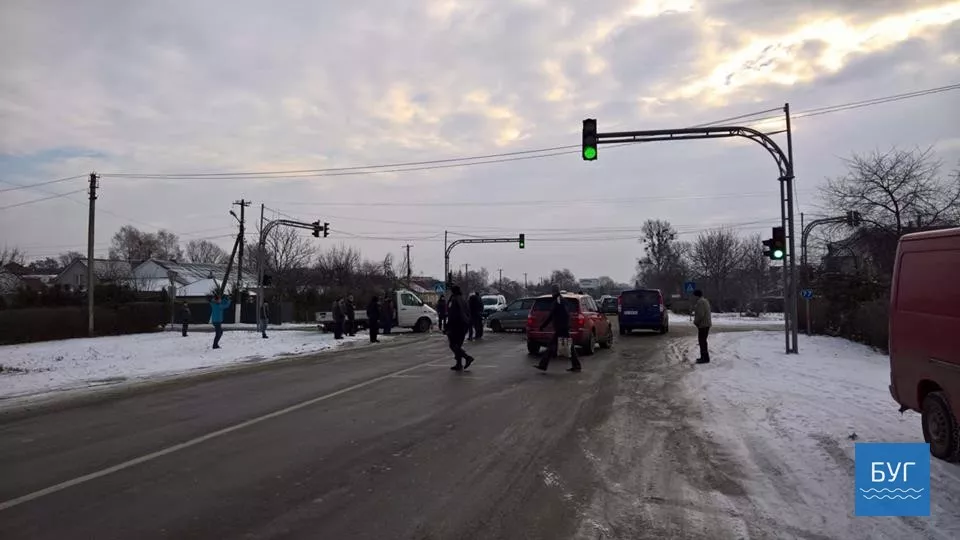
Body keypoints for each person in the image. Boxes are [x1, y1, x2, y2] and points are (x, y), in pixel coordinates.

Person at [535, 285, 581, 372]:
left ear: (555, 291)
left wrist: (543, 326)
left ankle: (543, 365)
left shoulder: (558, 301)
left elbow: (553, 316)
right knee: (565, 346)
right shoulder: (561, 300)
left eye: (552, 291)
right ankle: (543, 365)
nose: (552, 293)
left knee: (555, 346)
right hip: (562, 328)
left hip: (561, 328)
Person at [446, 285, 474, 371]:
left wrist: (447, 326)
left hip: (456, 325)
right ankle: (459, 364)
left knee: (453, 345)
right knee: (458, 345)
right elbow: (468, 311)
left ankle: (467, 357)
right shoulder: (463, 299)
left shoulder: (454, 300)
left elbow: (452, 314)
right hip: (464, 324)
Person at [693, 289, 712, 364]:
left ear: (696, 296)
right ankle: (705, 357)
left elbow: (700, 314)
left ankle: (704, 358)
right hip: (706, 324)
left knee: (702, 341)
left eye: (694, 296)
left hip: (703, 324)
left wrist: (696, 322)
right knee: (703, 341)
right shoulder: (705, 301)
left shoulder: (700, 302)